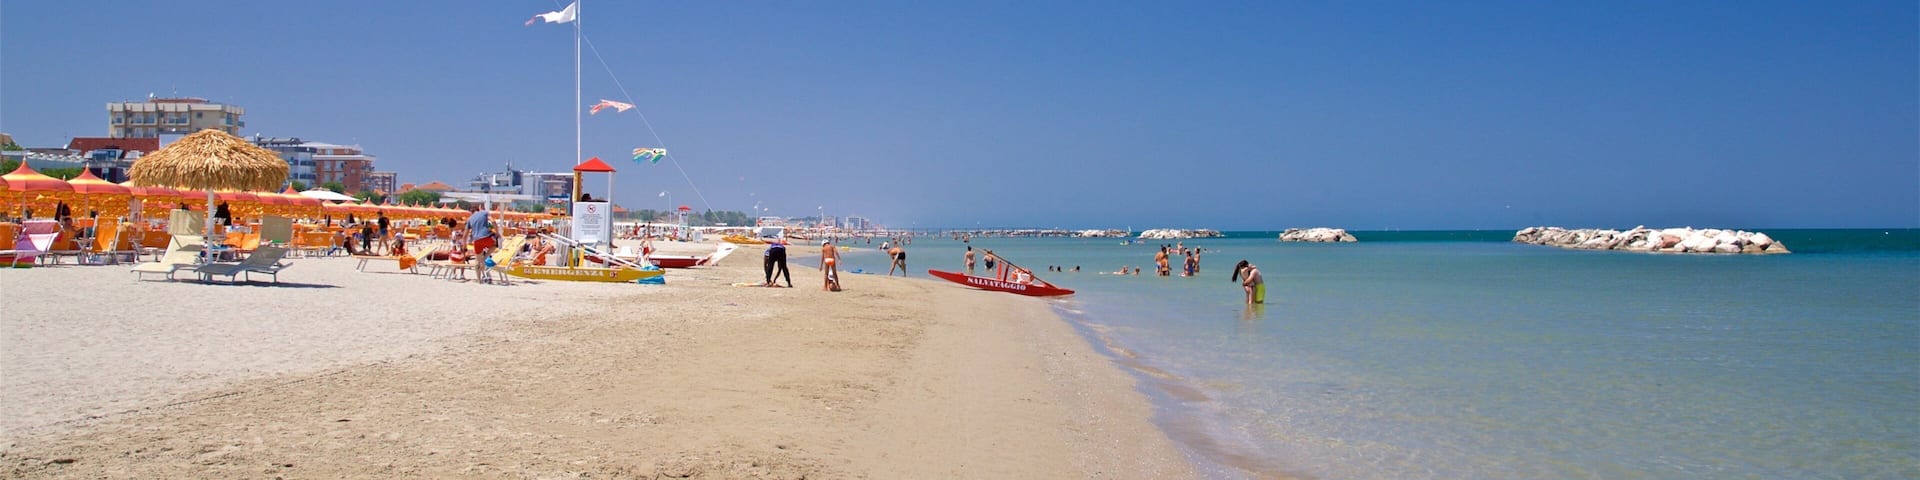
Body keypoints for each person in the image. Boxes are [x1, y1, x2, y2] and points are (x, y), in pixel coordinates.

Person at [468, 209, 495, 282]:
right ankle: (487, 276)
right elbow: (492, 224)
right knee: (485, 258)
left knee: (478, 259)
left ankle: (479, 279)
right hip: (486, 238)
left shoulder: (472, 220)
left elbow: (470, 233)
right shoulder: (484, 218)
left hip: (477, 240)